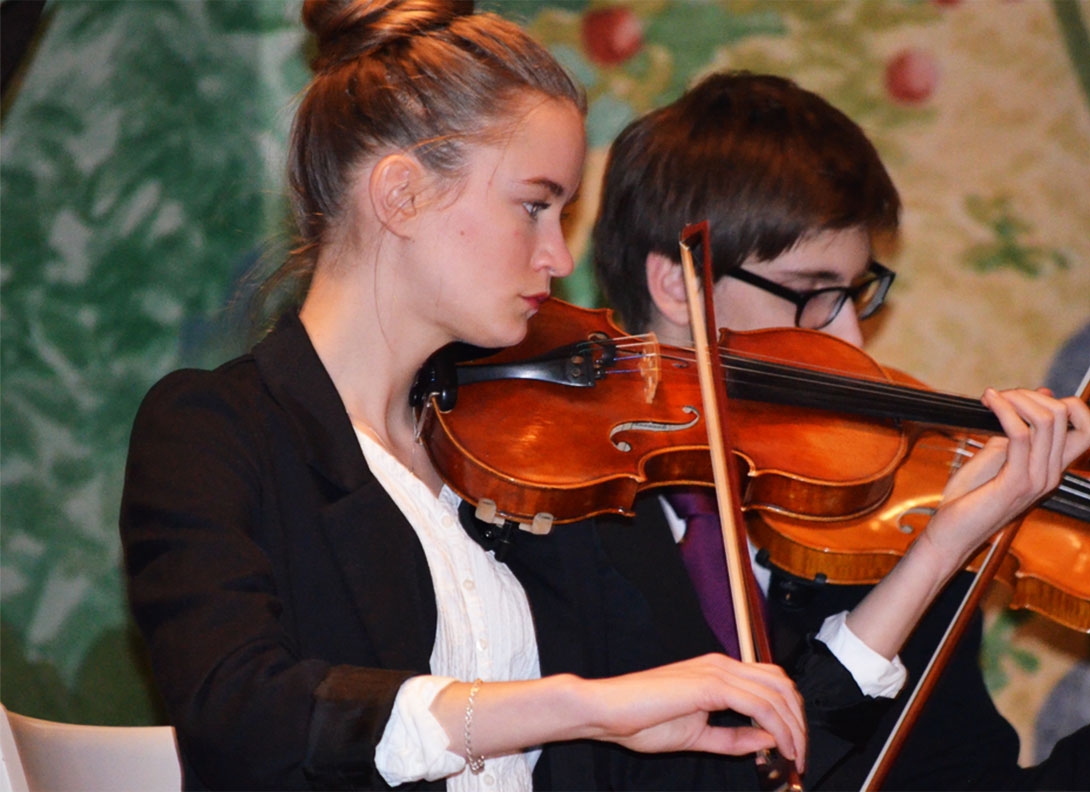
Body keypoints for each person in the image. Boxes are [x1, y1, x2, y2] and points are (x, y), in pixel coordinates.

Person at [512, 71, 1090, 789]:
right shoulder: (550, 515)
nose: (853, 340)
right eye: (812, 291)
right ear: (678, 284)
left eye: (856, 292)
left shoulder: (876, 537)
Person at [118, 6, 811, 790]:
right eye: (533, 206)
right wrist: (571, 706)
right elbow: (242, 718)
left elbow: (691, 741)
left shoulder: (525, 444)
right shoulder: (217, 432)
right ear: (402, 194)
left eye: (564, 215)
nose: (555, 255)